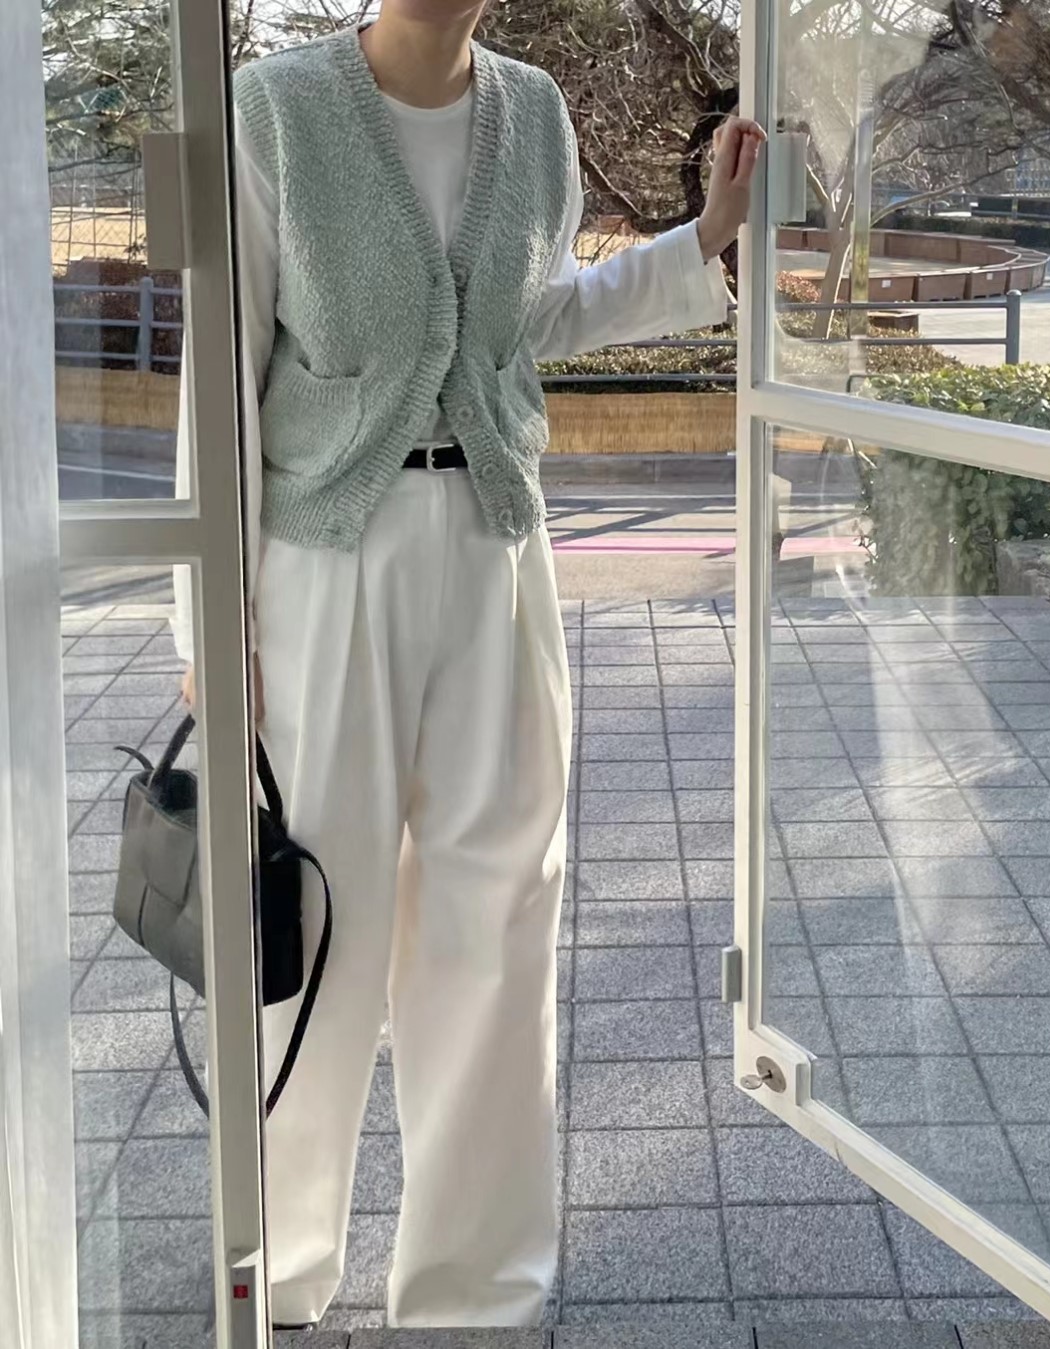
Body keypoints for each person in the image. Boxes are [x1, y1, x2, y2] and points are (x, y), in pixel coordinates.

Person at [174, 0, 764, 1329]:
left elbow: (527, 320)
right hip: (325, 560)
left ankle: (471, 1275)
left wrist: (702, 242)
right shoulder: (277, 110)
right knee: (310, 918)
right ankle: (282, 1259)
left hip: (497, 549)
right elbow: (221, 374)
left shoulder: (534, 113)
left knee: (500, 916)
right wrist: (210, 621)